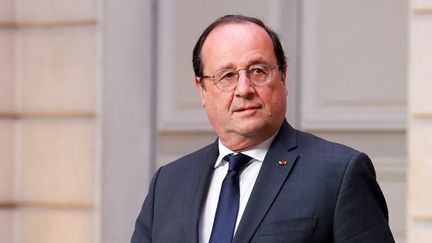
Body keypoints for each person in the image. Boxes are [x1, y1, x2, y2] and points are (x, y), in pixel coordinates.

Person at [131, 15, 395, 243]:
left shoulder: (339, 173)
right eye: (227, 76)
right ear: (202, 90)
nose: (244, 89)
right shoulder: (167, 184)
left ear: (283, 77)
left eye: (258, 71)